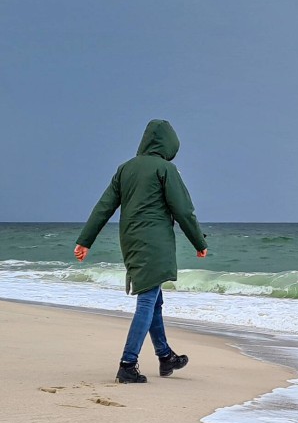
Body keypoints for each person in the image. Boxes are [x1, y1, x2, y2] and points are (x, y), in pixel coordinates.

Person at [74, 119, 209, 383]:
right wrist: (198, 242)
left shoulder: (125, 169)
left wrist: (85, 240)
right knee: (147, 300)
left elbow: (104, 207)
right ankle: (128, 363)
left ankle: (165, 356)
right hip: (155, 242)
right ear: (169, 145)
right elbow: (183, 209)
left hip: (130, 240)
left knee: (154, 299)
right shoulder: (165, 168)